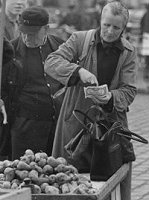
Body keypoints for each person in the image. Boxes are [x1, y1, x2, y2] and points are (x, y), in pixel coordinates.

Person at [45, 1, 138, 200]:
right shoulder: (80, 40)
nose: (110, 31)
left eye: (116, 27)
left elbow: (129, 91)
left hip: (110, 127)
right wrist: (78, 71)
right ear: (100, 21)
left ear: (123, 28)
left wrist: (111, 97)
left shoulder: (128, 52)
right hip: (76, 122)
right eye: (106, 25)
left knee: (110, 180)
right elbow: (52, 62)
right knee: (69, 177)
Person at [2, 6, 64, 160]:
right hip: (24, 128)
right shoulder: (11, 51)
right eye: (24, 33)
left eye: (33, 34)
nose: (27, 38)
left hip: (57, 127)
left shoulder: (61, 47)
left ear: (47, 29)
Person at [140, 3, 149, 81]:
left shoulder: (146, 14)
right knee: (146, 56)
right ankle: (146, 73)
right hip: (146, 36)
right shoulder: (146, 14)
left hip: (146, 36)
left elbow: (141, 24)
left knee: (146, 56)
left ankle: (146, 73)